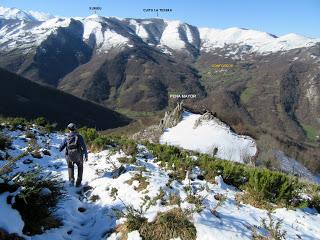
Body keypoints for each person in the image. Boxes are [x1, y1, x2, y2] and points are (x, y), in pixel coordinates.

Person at [59, 123, 88, 187]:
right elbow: (84, 147)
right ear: (75, 128)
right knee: (80, 167)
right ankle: (78, 183)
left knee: (70, 167)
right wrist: (86, 155)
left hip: (69, 156)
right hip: (79, 156)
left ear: (68, 129)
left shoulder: (66, 138)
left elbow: (60, 148)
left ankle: (71, 181)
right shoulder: (79, 136)